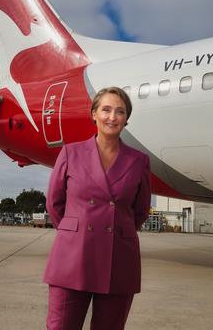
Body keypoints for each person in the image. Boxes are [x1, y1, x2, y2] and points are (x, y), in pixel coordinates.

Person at [43, 86, 151, 330]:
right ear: (94, 114)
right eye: (106, 109)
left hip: (119, 258)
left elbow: (141, 210)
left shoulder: (139, 161)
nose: (112, 117)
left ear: (126, 119)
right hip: (72, 256)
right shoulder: (71, 153)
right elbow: (54, 203)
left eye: (120, 111)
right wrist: (76, 231)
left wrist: (112, 229)